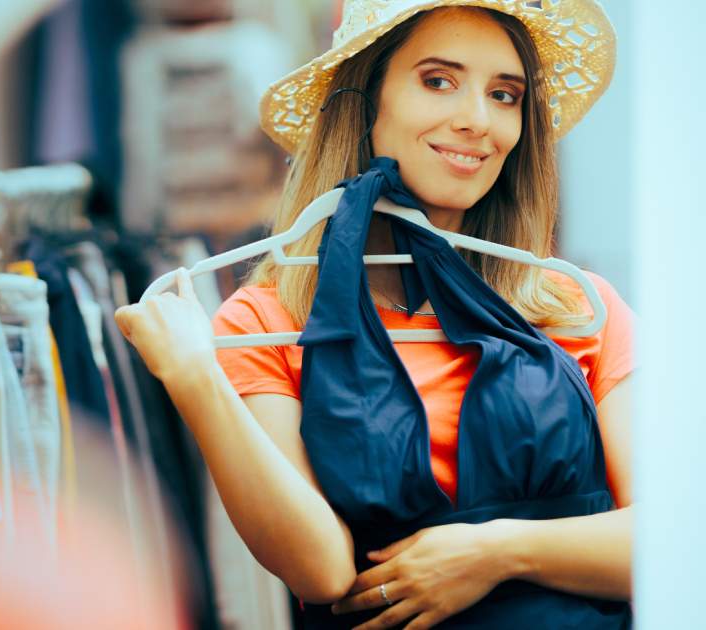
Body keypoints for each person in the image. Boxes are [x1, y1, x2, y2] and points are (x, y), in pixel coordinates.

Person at [114, 1, 634, 628]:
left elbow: (670, 542)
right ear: (366, 99)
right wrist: (195, 381)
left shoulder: (579, 308)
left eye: (504, 94)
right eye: (438, 80)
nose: (477, 120)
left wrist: (493, 552)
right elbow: (321, 569)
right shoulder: (268, 319)